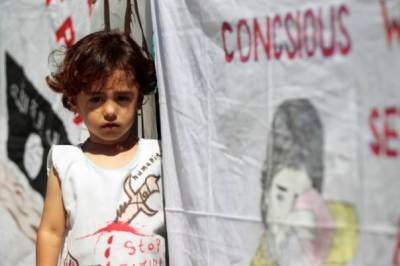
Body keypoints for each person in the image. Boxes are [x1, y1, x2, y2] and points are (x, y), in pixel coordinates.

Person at [36, 30, 166, 266]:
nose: (109, 110)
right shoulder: (65, 162)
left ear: (138, 99)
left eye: (122, 98)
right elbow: (51, 232)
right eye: (96, 98)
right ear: (75, 101)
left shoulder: (159, 156)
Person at [251, 98, 357, 266]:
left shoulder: (345, 226)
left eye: (304, 197)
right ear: (266, 197)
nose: (293, 212)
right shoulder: (266, 250)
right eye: (280, 196)